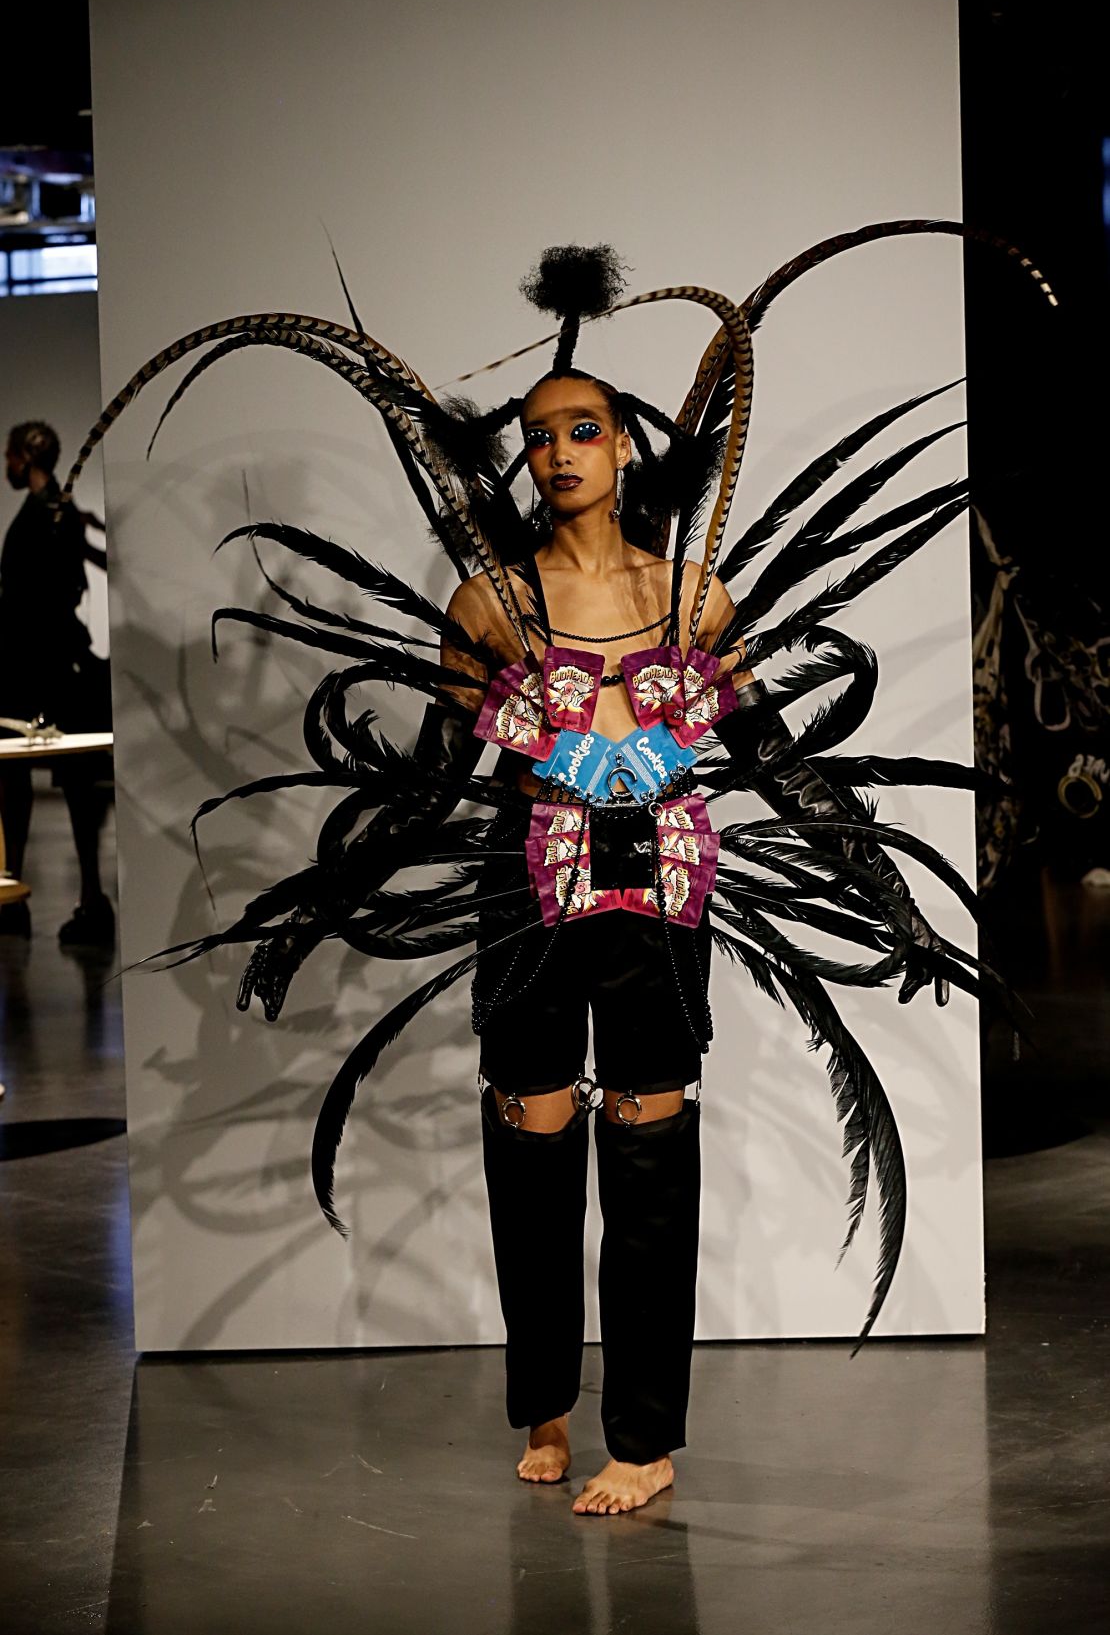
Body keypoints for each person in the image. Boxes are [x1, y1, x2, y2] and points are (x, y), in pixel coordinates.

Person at [56, 228, 1050, 1513]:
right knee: (529, 1136)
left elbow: (778, 757)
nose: (557, 452)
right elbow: (430, 786)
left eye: (581, 428)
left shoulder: (694, 600)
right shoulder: (491, 607)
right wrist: (319, 904)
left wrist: (889, 896)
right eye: (536, 435)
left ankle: (644, 1438)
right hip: (526, 892)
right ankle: (542, 1402)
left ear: (625, 442)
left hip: (663, 893)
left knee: (650, 1140)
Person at [0, 421, 114, 945]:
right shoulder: (54, 512)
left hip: (41, 663)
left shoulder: (48, 513)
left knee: (66, 783)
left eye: (10, 454)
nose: (6, 462)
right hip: (43, 659)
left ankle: (84, 899)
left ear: (25, 456)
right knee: (43, 781)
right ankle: (49, 894)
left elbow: (44, 589)